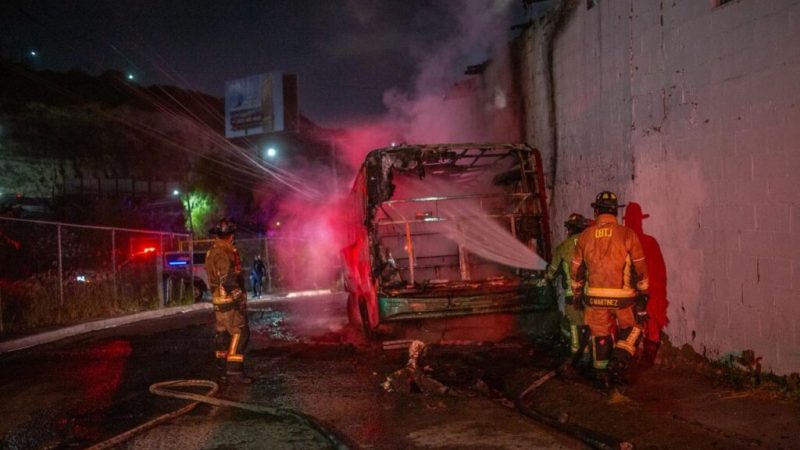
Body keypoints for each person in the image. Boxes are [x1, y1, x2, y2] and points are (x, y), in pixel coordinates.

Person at [570, 191, 649, 391]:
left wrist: (578, 293)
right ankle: (619, 360)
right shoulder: (627, 234)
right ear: (615, 212)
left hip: (594, 297)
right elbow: (640, 267)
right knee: (634, 328)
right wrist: (642, 292)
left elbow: (576, 268)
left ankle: (603, 376)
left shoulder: (585, 235)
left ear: (596, 211)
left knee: (600, 335)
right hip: (622, 298)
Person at [206, 217, 252, 384]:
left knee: (223, 333)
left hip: (219, 299)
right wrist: (239, 296)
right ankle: (234, 371)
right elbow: (227, 278)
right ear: (231, 235)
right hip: (229, 300)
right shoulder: (224, 252)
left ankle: (222, 369)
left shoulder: (212, 250)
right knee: (240, 332)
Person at [545, 213, 592, 372]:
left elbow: (552, 272)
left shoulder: (563, 247)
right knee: (597, 326)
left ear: (569, 230)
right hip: (594, 296)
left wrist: (545, 278)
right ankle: (598, 358)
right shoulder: (592, 244)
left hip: (573, 296)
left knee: (575, 326)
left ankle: (579, 360)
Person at [623, 202, 668, 369]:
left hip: (631, 292)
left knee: (629, 324)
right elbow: (660, 270)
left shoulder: (623, 242)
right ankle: (648, 359)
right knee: (652, 322)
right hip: (652, 290)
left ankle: (631, 356)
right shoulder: (650, 241)